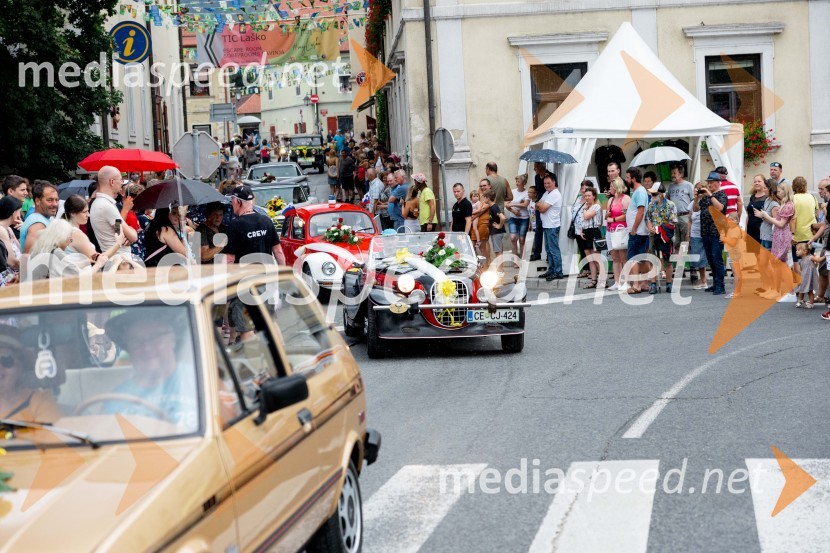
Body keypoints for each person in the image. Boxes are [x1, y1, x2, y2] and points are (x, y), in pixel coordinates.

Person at [103, 311, 197, 427]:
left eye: (155, 338)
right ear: (129, 349)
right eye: (136, 341)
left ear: (172, 339)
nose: (146, 348)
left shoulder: (202, 379)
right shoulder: (115, 399)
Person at [0, 325, 61, 421]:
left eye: (7, 360)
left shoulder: (39, 402)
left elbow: (54, 435)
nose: (0, 368)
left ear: (20, 368)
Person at [225, 185, 285, 265]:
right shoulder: (266, 221)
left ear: (238, 202)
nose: (232, 203)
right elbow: (278, 251)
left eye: (232, 199)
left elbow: (230, 259)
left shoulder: (234, 225)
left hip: (245, 275)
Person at [29, 219, 109, 280]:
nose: (68, 244)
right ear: (62, 237)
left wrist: (86, 262)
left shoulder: (42, 248)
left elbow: (68, 267)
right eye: (69, 240)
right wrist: (98, 264)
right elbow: (79, 277)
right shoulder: (56, 253)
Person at [89, 165, 137, 257]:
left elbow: (117, 230)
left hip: (115, 258)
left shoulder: (98, 203)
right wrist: (131, 231)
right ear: (112, 182)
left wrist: (125, 234)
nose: (122, 183)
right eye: (120, 180)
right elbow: (133, 237)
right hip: (119, 259)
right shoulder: (107, 206)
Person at [694, 171, 729, 295]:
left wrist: (710, 195)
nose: (709, 185)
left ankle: (721, 285)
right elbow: (696, 209)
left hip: (717, 232)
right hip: (705, 231)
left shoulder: (721, 195)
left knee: (717, 258)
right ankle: (715, 283)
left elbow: (720, 208)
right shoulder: (705, 197)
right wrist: (697, 198)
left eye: (712, 182)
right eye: (708, 183)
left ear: (718, 183)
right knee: (710, 259)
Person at [62, 195, 122, 264]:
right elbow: (97, 259)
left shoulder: (69, 230)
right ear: (72, 213)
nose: (88, 215)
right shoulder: (76, 234)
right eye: (84, 212)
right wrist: (118, 243)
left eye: (88, 211)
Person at [645, 181, 677, 294]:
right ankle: (653, 284)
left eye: (654, 194)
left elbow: (673, 222)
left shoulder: (671, 205)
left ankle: (669, 283)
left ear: (661, 194)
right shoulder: (650, 205)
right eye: (651, 194)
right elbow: (647, 219)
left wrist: (660, 228)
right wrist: (650, 229)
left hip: (666, 235)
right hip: (653, 235)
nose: (652, 197)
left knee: (668, 260)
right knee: (652, 258)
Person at [625, 168, 650, 294]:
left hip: (638, 231)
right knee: (641, 258)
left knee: (633, 258)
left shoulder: (639, 192)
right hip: (640, 231)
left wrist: (633, 228)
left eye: (628, 177)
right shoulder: (638, 191)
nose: (626, 180)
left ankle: (636, 285)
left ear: (633, 179)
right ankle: (644, 283)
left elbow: (640, 211)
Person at [536, 174, 563, 281]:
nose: (546, 185)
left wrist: (539, 206)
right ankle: (551, 270)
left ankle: (558, 271)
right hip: (547, 225)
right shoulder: (547, 193)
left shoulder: (555, 194)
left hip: (552, 225)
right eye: (545, 183)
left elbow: (542, 208)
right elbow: (538, 204)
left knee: (553, 249)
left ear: (554, 182)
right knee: (548, 249)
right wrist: (539, 205)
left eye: (548, 183)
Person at [20, 180, 59, 254]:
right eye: (50, 200)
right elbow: (28, 257)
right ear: (37, 201)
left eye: (56, 200)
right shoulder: (38, 225)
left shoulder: (41, 219)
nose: (55, 204)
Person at [575, 186, 603, 288]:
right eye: (585, 195)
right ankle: (593, 280)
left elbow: (587, 216)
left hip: (594, 232)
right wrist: (581, 231)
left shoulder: (596, 206)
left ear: (594, 196)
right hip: (586, 231)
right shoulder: (585, 207)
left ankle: (602, 280)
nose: (587, 198)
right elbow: (583, 220)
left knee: (596, 258)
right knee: (590, 258)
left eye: (589, 196)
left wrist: (586, 209)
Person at [605, 176, 629, 290]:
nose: (610, 188)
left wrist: (613, 219)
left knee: (623, 256)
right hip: (610, 230)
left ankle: (625, 282)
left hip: (621, 230)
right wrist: (608, 216)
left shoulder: (626, 199)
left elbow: (627, 215)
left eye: (611, 186)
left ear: (617, 187)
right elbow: (607, 215)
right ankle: (617, 281)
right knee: (615, 257)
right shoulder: (610, 200)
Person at [666, 164, 694, 253]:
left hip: (685, 216)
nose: (672, 175)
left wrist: (691, 216)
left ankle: (683, 263)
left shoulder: (688, 185)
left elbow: (694, 201)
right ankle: (679, 264)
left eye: (674, 173)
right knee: (676, 242)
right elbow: (667, 200)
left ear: (681, 174)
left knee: (685, 241)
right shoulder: (670, 186)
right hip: (674, 217)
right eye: (672, 173)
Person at [506, 174, 530, 265]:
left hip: (524, 218)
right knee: (513, 238)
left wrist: (513, 204)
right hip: (513, 218)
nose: (516, 183)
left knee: (522, 239)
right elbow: (507, 205)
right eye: (516, 181)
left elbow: (525, 205)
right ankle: (515, 260)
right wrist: (514, 211)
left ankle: (523, 260)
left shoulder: (527, 193)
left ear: (523, 183)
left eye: (518, 181)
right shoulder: (512, 192)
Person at [689, 182, 708, 290]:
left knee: (705, 257)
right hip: (695, 233)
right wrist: (688, 234)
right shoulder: (693, 202)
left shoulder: (708, 200)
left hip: (706, 232)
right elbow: (690, 219)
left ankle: (705, 280)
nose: (699, 191)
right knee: (698, 257)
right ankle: (703, 280)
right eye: (697, 189)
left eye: (701, 189)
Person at [744, 174, 768, 258]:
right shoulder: (752, 197)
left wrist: (762, 215)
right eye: (755, 182)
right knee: (752, 256)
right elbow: (748, 214)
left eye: (759, 181)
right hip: (751, 231)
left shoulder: (767, 198)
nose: (756, 183)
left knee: (761, 257)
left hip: (761, 231)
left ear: (764, 183)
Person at [792, 176, 818, 250]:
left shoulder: (792, 198)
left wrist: (792, 234)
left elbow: (792, 218)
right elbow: (817, 214)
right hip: (812, 233)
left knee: (797, 260)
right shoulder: (813, 197)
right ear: (805, 186)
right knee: (811, 258)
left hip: (798, 234)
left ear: (793, 186)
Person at [0, 196, 23, 275]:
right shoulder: (1, 230)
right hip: (7, 276)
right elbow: (11, 261)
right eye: (19, 211)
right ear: (13, 212)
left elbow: (21, 250)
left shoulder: (9, 229)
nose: (20, 215)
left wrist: (24, 230)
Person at [793, 242, 818, 308]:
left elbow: (818, 260)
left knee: (810, 290)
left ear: (805, 251)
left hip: (809, 277)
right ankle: (800, 300)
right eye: (796, 250)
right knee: (802, 288)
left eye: (798, 250)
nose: (796, 251)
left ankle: (811, 303)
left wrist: (824, 256)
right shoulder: (801, 260)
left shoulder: (810, 257)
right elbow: (801, 270)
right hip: (804, 276)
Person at [487, 191, 507, 271]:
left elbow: (503, 217)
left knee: (498, 251)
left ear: (487, 198)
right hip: (495, 232)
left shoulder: (494, 207)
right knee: (498, 250)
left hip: (497, 232)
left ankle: (500, 269)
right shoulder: (492, 207)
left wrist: (499, 225)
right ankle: (500, 268)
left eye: (484, 197)